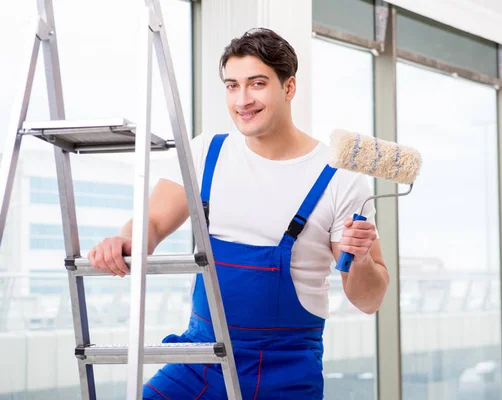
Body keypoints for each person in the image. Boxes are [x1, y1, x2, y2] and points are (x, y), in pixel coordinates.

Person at [87, 27, 389, 400]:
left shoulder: (339, 179)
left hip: (287, 370)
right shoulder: (206, 154)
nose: (242, 100)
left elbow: (369, 300)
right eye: (232, 86)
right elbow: (151, 222)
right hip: (200, 359)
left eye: (257, 83)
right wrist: (124, 240)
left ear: (289, 87)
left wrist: (359, 259)